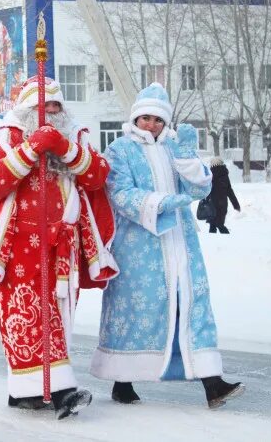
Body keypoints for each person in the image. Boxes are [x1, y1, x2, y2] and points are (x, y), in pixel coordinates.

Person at [0, 77, 119, 420]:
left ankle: (27, 393)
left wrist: (64, 149)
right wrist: (32, 147)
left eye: (55, 107)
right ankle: (62, 391)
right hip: (21, 247)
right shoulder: (5, 138)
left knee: (59, 317)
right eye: (42, 108)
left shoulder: (74, 137)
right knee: (28, 318)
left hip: (64, 246)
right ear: (25, 110)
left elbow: (98, 175)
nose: (50, 113)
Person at [90, 83, 245, 410]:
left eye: (158, 120)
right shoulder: (120, 149)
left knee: (192, 306)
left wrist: (188, 158)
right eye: (145, 118)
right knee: (138, 310)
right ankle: (122, 379)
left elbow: (199, 186)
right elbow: (120, 194)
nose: (151, 125)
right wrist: (163, 203)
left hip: (181, 242)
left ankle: (212, 384)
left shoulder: (175, 146)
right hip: (138, 246)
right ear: (135, 118)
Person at [207, 157, 240, 234]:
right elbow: (229, 191)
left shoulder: (209, 175)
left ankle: (213, 242)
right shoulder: (224, 174)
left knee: (213, 225)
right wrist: (236, 205)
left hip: (211, 203)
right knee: (219, 224)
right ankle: (226, 239)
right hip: (222, 203)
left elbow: (206, 189)